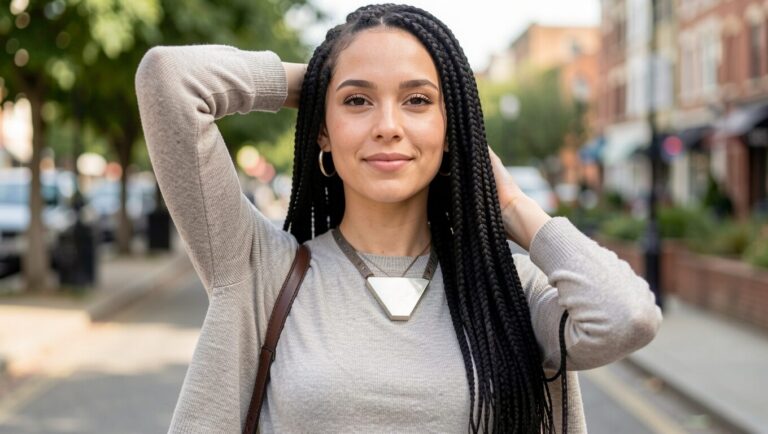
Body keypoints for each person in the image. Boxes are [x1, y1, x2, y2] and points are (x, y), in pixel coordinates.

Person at [135, 4, 662, 433]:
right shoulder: (260, 270)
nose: (388, 125)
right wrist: (319, 79)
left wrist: (512, 206)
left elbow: (627, 318)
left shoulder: (508, 291)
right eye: (359, 101)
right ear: (322, 130)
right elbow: (170, 79)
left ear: (451, 127)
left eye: (416, 100)